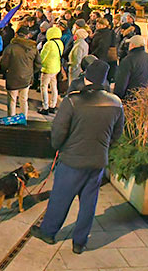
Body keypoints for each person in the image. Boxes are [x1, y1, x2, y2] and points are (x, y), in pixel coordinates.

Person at [31, 60, 124, 254]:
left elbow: (58, 131)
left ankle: (48, 232)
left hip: (72, 160)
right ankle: (79, 242)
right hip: (98, 161)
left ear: (87, 77)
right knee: (89, 202)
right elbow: (116, 135)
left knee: (60, 198)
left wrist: (58, 147)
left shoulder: (74, 101)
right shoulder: (115, 103)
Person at [0, 26, 42, 117]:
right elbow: (38, 64)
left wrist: (5, 71)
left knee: (12, 100)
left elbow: (3, 64)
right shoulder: (32, 47)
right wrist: (31, 71)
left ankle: (11, 118)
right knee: (24, 99)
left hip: (12, 77)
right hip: (26, 77)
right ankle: (24, 118)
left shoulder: (10, 47)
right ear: (27, 36)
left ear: (16, 35)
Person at [39, 26, 64, 115]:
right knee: (54, 87)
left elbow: (42, 56)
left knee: (44, 87)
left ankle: (45, 106)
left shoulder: (49, 44)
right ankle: (53, 105)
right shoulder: (60, 42)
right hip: (56, 67)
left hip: (47, 68)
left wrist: (38, 65)